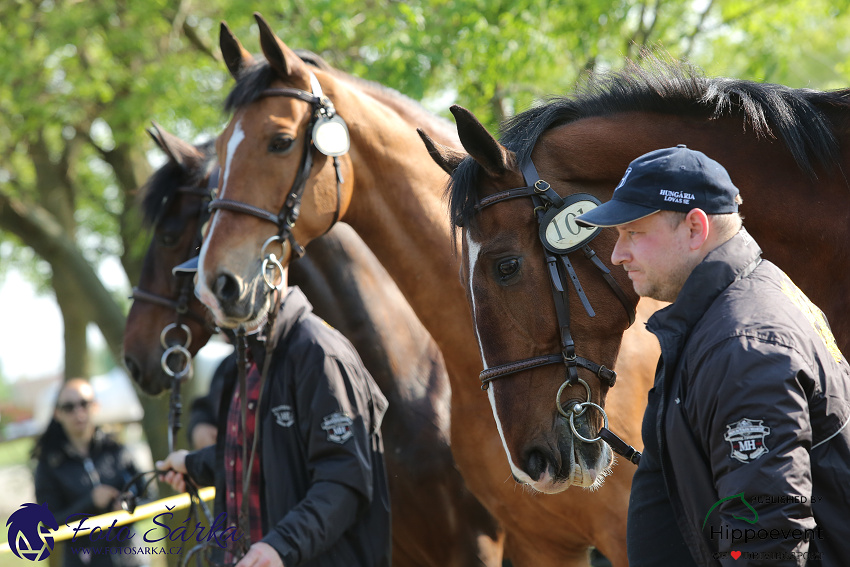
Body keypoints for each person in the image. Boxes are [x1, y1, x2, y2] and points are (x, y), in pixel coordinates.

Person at [576, 145, 850, 566]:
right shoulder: (724, 309)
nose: (617, 254)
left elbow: (766, 537)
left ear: (694, 228)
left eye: (633, 232)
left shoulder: (743, 345)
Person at [157, 267, 391, 567]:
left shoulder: (319, 353)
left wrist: (278, 548)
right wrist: (191, 465)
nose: (207, 298)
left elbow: (344, 482)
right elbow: (262, 454)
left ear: (271, 272)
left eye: (218, 280)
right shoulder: (242, 360)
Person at [33, 378, 146, 566]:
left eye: (84, 404)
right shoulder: (48, 466)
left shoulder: (116, 449)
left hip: (132, 558)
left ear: (95, 406)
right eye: (69, 407)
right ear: (57, 413)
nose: (78, 412)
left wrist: (128, 503)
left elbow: (147, 495)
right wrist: (90, 503)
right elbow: (49, 526)